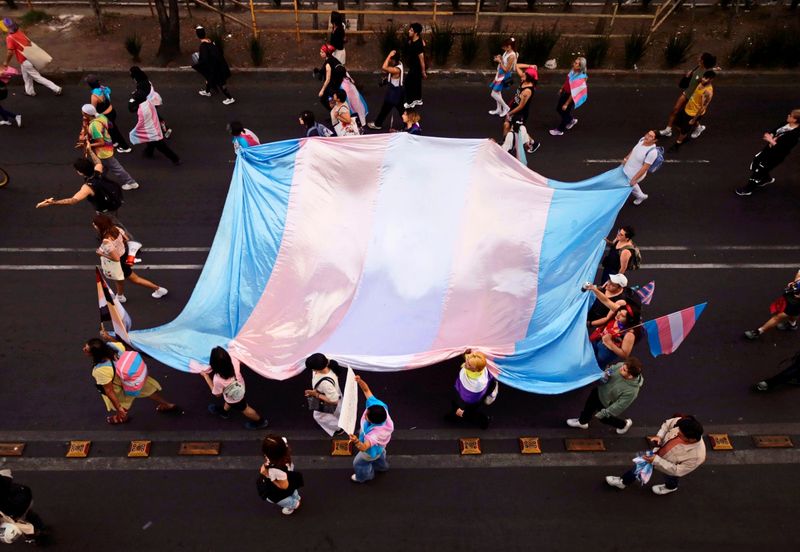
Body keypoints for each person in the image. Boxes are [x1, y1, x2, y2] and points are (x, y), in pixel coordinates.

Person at [85, 332, 182, 424]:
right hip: (135, 378)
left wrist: (119, 408)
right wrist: (109, 337)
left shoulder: (101, 370)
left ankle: (121, 417)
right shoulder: (115, 347)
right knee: (148, 390)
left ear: (96, 354)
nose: (83, 349)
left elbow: (109, 391)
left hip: (122, 386)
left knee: (122, 403)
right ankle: (167, 404)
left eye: (86, 349)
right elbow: (121, 344)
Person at [606, 415, 706, 495]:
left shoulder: (697, 456)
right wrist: (659, 436)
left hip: (668, 466)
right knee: (638, 467)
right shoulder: (682, 423)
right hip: (657, 454)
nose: (677, 433)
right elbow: (667, 424)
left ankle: (671, 487)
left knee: (671, 477)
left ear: (691, 439)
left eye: (680, 435)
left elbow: (677, 471)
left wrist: (656, 460)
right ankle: (623, 482)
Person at [93, 214, 167, 302]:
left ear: (101, 226)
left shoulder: (107, 241)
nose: (94, 225)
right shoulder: (116, 228)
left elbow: (116, 258)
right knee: (119, 279)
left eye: (95, 224)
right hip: (124, 256)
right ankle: (120, 296)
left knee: (133, 279)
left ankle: (158, 289)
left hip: (119, 262)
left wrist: (101, 254)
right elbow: (127, 239)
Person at [567, 358, 644, 435]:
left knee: (604, 419)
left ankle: (624, 425)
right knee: (589, 407)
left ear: (630, 376)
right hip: (599, 391)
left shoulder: (632, 391)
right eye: (623, 365)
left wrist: (605, 413)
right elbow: (612, 368)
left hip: (605, 403)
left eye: (624, 370)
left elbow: (619, 406)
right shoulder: (622, 366)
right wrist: (607, 372)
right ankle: (582, 422)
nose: (621, 368)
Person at [200, 346, 269, 429]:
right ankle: (224, 411)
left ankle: (261, 422)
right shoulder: (233, 358)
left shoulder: (218, 379)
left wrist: (206, 377)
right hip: (239, 385)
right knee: (229, 400)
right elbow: (242, 361)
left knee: (244, 408)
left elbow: (217, 394)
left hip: (234, 395)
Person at [736, 109, 800, 196]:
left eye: (791, 116)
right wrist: (771, 134)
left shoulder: (795, 135)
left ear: (795, 120)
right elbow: (775, 130)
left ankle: (748, 189)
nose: (788, 116)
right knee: (756, 162)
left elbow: (782, 149)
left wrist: (771, 140)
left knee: (759, 170)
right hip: (768, 150)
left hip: (776, 155)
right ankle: (766, 179)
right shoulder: (785, 124)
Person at [78, 104, 140, 191]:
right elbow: (110, 125)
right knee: (102, 167)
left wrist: (87, 145)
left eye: (83, 112)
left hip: (103, 151)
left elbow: (101, 142)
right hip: (108, 146)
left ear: (86, 114)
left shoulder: (94, 126)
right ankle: (98, 181)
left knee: (116, 168)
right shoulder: (101, 116)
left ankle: (131, 183)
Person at [36, 153, 123, 214]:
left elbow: (73, 200)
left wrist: (53, 202)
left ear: (81, 172)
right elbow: (98, 162)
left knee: (110, 226)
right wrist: (89, 149)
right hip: (113, 201)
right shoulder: (97, 171)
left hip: (105, 209)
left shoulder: (87, 187)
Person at [659, 52, 716, 138]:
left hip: (693, 97)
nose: (698, 57)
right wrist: (690, 75)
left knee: (689, 115)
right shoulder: (698, 67)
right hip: (687, 92)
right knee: (675, 109)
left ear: (703, 60)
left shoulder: (706, 74)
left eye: (700, 57)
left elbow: (707, 85)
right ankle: (668, 130)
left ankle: (698, 128)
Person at [349, 376, 394, 483]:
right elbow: (366, 390)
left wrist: (356, 441)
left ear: (373, 422)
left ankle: (364, 476)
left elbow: (364, 447)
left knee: (359, 463)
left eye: (367, 416)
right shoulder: (379, 407)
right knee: (380, 455)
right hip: (380, 447)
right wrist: (360, 381)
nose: (365, 414)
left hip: (369, 452)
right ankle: (382, 467)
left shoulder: (375, 434)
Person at [1, 18, 62, 97]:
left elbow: (10, 52)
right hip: (30, 58)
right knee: (26, 76)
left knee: (37, 77)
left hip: (25, 61)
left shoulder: (10, 38)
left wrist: (6, 62)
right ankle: (29, 92)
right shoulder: (19, 32)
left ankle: (56, 88)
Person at [586, 289, 641, 367]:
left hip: (604, 352)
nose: (618, 315)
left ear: (629, 320)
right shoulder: (619, 312)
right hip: (596, 340)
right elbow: (605, 300)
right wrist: (593, 289)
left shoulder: (630, 334)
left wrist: (610, 343)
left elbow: (625, 355)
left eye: (622, 316)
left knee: (593, 366)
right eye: (619, 312)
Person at [128, 87, 181, 164]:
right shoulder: (149, 102)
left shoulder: (141, 110)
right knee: (150, 141)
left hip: (152, 132)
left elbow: (141, 122)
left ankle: (175, 159)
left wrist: (135, 131)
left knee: (162, 147)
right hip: (155, 127)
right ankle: (149, 152)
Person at [744, 269, 800, 340]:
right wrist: (795, 282)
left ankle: (758, 332)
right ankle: (792, 324)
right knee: (794, 312)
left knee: (778, 317)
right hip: (794, 295)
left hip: (797, 300)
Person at [447, 351, 497, 430]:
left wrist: (461, 408)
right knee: (464, 409)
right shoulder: (480, 367)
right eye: (467, 361)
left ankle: (484, 420)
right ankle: (454, 415)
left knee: (467, 413)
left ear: (475, 369)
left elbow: (468, 397)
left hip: (470, 400)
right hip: (476, 395)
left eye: (469, 364)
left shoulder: (476, 383)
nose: (466, 363)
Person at [257, 435, 302, 515]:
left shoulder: (276, 470)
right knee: (292, 489)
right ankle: (296, 497)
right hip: (289, 476)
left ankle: (294, 504)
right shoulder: (284, 455)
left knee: (280, 498)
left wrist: (267, 475)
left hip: (280, 489)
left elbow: (284, 486)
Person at [85, 74, 131, 153]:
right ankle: (115, 142)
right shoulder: (103, 88)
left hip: (106, 116)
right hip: (112, 111)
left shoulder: (94, 96)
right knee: (110, 129)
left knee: (115, 131)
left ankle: (125, 147)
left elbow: (93, 109)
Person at [502, 63, 540, 155]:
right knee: (506, 125)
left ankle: (532, 143)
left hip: (520, 113)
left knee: (517, 130)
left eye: (524, 75)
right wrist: (530, 66)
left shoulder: (527, 91)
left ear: (529, 78)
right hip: (514, 108)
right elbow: (516, 66)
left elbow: (521, 106)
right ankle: (506, 143)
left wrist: (510, 113)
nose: (522, 75)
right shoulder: (524, 81)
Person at [670, 70, 715, 149]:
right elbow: (700, 75)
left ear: (711, 80)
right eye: (704, 77)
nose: (703, 79)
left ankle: (678, 143)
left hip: (693, 114)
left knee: (684, 131)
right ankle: (695, 129)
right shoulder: (702, 82)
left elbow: (702, 107)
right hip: (687, 108)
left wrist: (694, 119)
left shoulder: (707, 92)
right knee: (676, 123)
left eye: (706, 78)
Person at [0, 468, 46, 545]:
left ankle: (38, 535)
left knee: (22, 522)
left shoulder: (12, 511)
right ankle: (40, 527)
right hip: (21, 493)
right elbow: (7, 475)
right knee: (27, 514)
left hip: (20, 501)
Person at [193, 25, 235, 105]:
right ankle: (207, 91)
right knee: (208, 78)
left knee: (220, 83)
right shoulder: (210, 41)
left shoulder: (203, 46)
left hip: (215, 67)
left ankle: (230, 98)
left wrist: (197, 64)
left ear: (197, 35)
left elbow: (204, 59)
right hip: (218, 64)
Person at [304, 353, 342, 436]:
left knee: (318, 416)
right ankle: (340, 423)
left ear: (316, 369)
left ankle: (338, 428)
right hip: (334, 392)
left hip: (329, 397)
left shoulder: (325, 383)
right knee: (337, 411)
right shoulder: (330, 366)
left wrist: (316, 394)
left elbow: (334, 400)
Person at [367, 50, 404, 131]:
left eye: (390, 59)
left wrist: (389, 55)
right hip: (396, 92)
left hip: (394, 93)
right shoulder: (398, 64)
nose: (389, 60)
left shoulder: (397, 69)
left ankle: (378, 124)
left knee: (387, 109)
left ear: (393, 60)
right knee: (400, 110)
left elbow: (384, 67)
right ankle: (409, 124)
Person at [130, 66, 171, 138]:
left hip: (150, 103)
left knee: (155, 116)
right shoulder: (144, 79)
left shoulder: (141, 84)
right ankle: (163, 128)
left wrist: (136, 95)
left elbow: (143, 94)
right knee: (155, 115)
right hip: (153, 100)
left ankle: (164, 129)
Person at [549, 57, 587, 136]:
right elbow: (567, 81)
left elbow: (574, 93)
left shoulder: (580, 79)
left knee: (565, 112)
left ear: (580, 67)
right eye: (575, 62)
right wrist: (562, 88)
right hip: (565, 93)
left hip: (570, 97)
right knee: (559, 109)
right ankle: (570, 120)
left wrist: (566, 104)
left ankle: (560, 130)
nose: (574, 64)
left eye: (576, 63)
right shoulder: (573, 70)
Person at [621, 130, 660, 206]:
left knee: (628, 184)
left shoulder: (652, 152)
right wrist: (626, 158)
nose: (647, 136)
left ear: (655, 140)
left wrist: (634, 179)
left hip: (635, 173)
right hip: (628, 167)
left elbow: (645, 168)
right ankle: (641, 196)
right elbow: (634, 149)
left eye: (651, 136)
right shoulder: (642, 139)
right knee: (630, 185)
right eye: (647, 134)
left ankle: (641, 196)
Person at [488, 37, 517, 117]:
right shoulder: (507, 52)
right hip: (500, 73)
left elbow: (506, 70)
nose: (503, 48)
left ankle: (506, 107)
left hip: (504, 75)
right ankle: (499, 109)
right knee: (498, 92)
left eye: (504, 46)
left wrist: (500, 61)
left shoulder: (512, 56)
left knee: (493, 94)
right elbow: (504, 63)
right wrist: (500, 57)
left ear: (509, 46)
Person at [403, 23, 426, 108]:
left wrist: (423, 71)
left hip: (416, 68)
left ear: (416, 33)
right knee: (416, 83)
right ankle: (418, 100)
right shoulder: (413, 40)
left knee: (408, 83)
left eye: (411, 30)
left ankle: (410, 102)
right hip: (413, 66)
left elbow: (422, 59)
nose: (409, 31)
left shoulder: (418, 45)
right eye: (410, 29)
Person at [317, 44, 346, 111]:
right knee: (332, 100)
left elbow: (327, 79)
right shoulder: (333, 59)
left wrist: (322, 90)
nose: (320, 53)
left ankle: (335, 113)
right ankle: (334, 112)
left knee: (324, 99)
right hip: (336, 83)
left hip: (331, 86)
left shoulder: (328, 64)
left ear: (327, 53)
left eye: (322, 52)